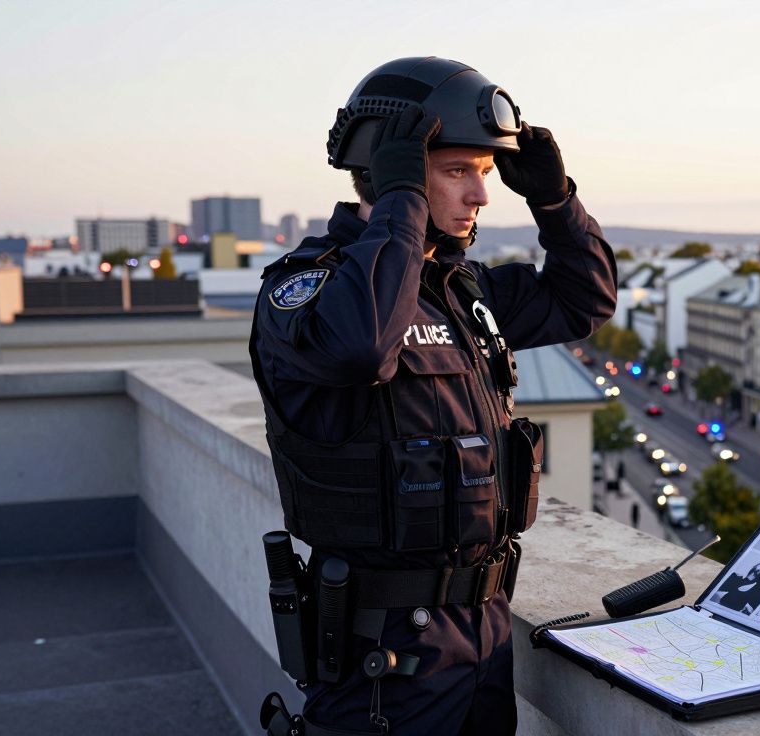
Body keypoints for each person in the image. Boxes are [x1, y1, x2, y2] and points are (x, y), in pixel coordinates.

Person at [250, 57, 616, 735]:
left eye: (485, 171)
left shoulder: (461, 290)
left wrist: (555, 200)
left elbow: (584, 301)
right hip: (384, 661)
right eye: (457, 171)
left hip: (484, 636)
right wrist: (400, 209)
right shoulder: (304, 292)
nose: (480, 195)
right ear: (390, 173)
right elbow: (363, 346)